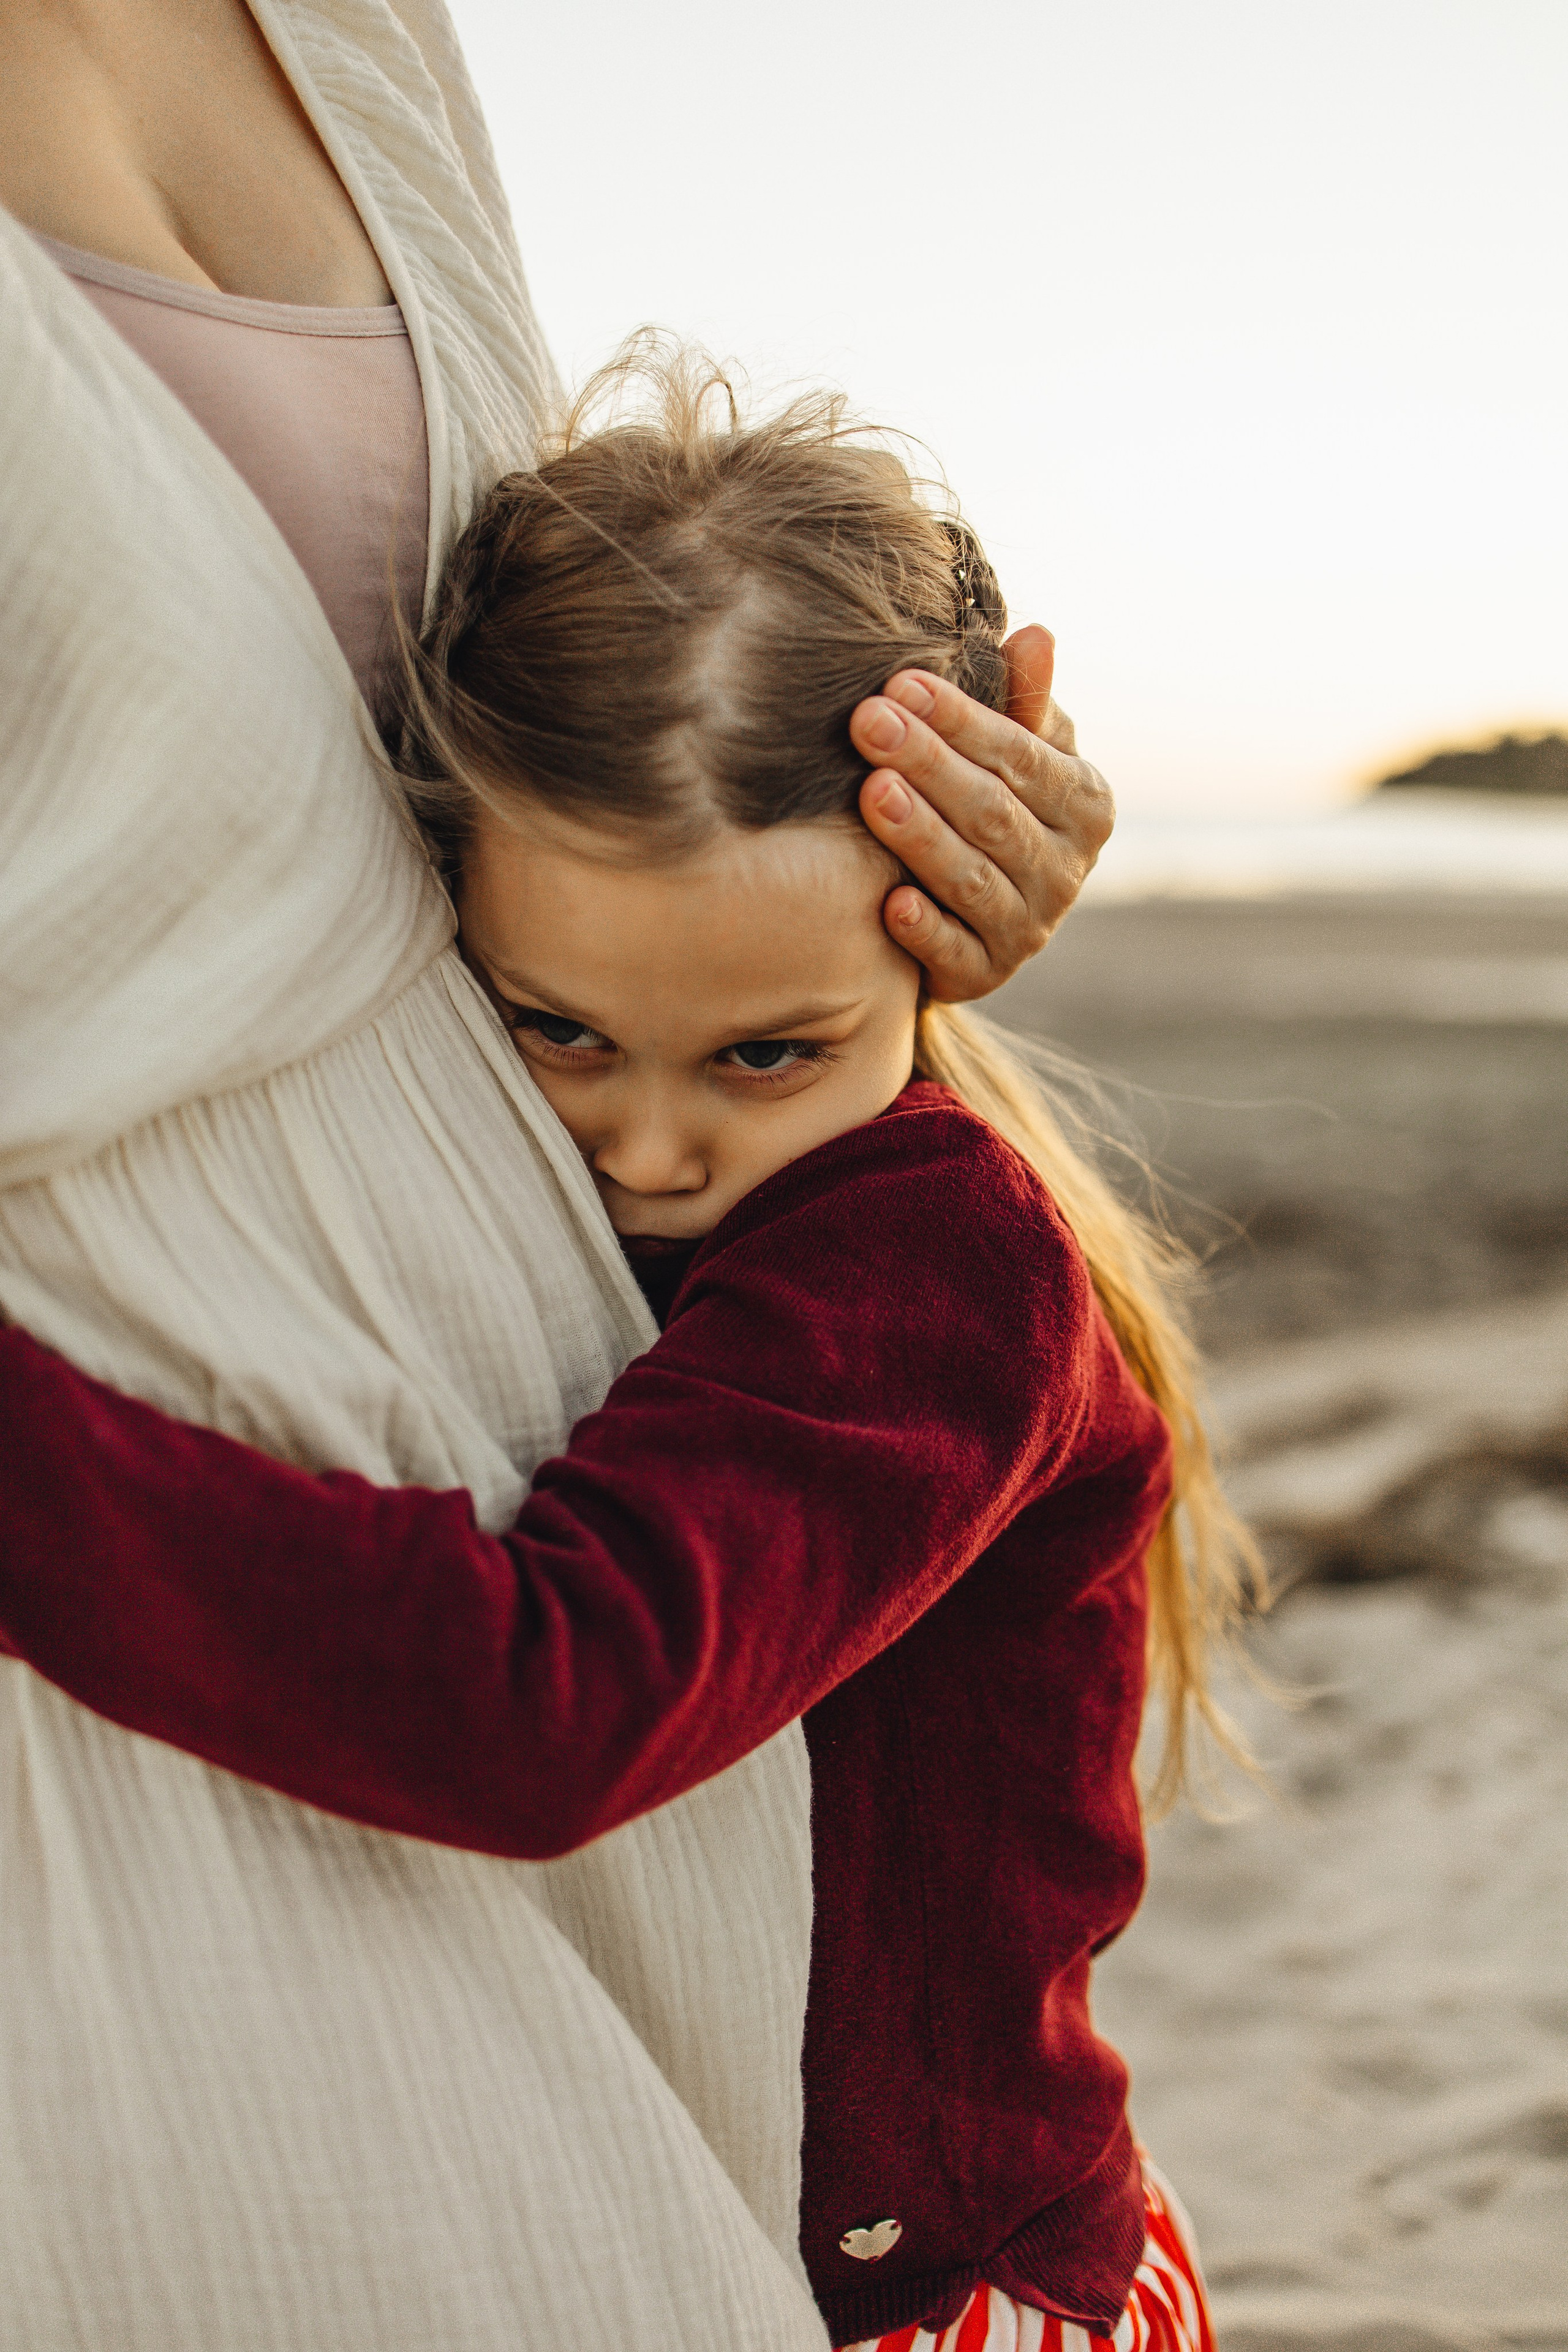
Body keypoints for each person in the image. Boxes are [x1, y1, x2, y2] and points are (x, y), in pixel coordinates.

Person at [0, 4, 1115, 2347]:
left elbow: (550, 1698)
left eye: (769, 1052)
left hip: (939, 2282)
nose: (644, 1148)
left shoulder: (936, 1273)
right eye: (560, 1031)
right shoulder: (792, 1175)